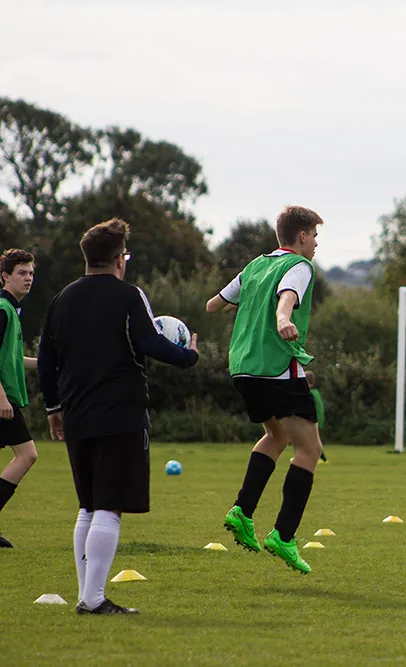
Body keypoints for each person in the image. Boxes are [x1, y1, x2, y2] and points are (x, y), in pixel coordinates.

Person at [37, 219, 199, 614]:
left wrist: (54, 409)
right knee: (109, 507)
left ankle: (85, 594)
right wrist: (189, 355)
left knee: (88, 506)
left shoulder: (62, 298)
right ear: (118, 260)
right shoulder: (129, 296)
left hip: (76, 414)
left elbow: (46, 361)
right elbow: (149, 342)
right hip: (120, 414)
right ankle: (92, 599)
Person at [206, 205, 325, 574]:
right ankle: (284, 536)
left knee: (274, 435)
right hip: (276, 368)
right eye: (315, 235)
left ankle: (242, 510)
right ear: (302, 236)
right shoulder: (300, 267)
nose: (317, 243)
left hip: (242, 367)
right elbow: (286, 298)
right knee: (310, 448)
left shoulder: (254, 266)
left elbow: (214, 305)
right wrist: (282, 318)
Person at [0, 249, 38, 548]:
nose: (28, 278)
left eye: (31, 273)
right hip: (2, 400)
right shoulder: (2, 309)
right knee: (27, 455)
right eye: (22, 273)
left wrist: (45, 362)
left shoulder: (12, 311)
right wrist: (2, 398)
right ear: (5, 276)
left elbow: (11, 358)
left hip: (6, 399)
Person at [304, 370, 327, 463]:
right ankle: (311, 457)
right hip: (317, 420)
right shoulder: (315, 392)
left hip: (313, 420)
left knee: (312, 440)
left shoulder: (310, 394)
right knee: (311, 440)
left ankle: (322, 458)